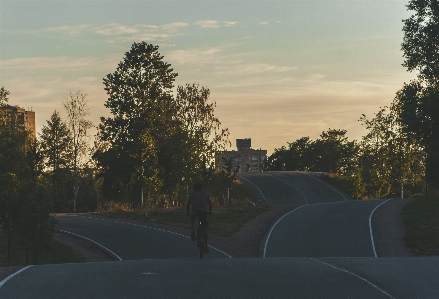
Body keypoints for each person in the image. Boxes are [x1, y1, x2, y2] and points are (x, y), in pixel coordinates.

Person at [186, 182, 212, 253]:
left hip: (195, 211)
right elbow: (210, 203)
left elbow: (188, 204)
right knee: (205, 229)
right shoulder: (205, 194)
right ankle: (206, 245)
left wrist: (188, 212)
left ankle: (193, 230)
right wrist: (209, 212)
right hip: (203, 212)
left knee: (192, 218)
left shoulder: (192, 194)